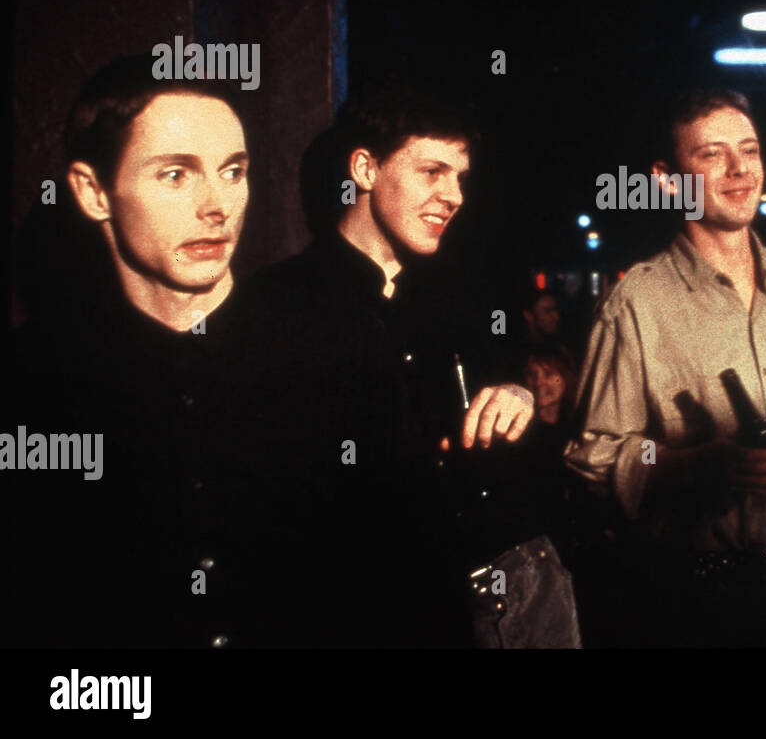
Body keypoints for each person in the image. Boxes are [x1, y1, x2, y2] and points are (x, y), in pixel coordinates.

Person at [6, 54, 287, 647]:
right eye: (176, 175)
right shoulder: (29, 383)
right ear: (91, 192)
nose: (218, 205)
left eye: (233, 171)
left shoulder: (335, 352)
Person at [247, 71, 537, 646]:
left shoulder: (466, 303)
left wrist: (518, 398)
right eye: (431, 171)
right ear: (365, 170)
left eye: (460, 177)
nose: (453, 195)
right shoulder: (274, 304)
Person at [565, 87, 766, 647]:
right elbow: (592, 456)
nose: (739, 169)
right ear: (668, 178)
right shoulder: (637, 305)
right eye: (711, 155)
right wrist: (691, 466)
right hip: (693, 603)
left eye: (750, 150)